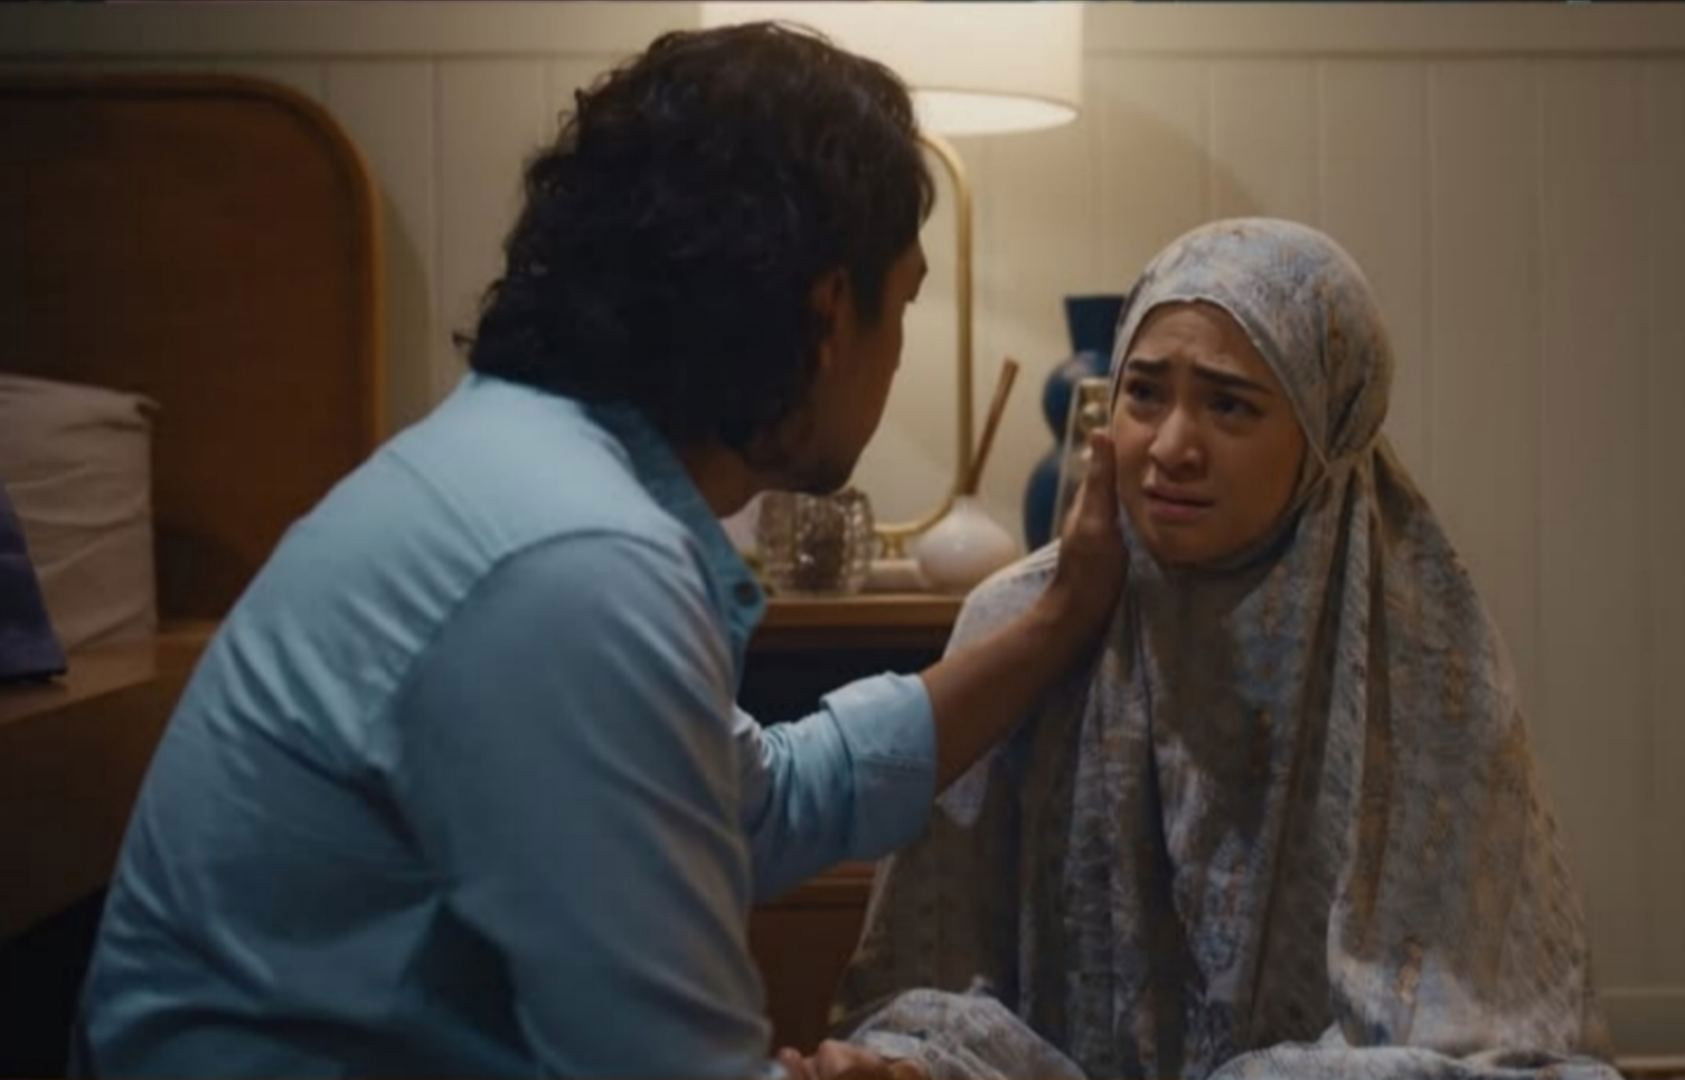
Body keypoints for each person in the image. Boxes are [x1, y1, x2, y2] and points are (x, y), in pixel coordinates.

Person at [74, 23, 1125, 1080]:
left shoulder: (524, 469)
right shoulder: (578, 566)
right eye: (900, 302)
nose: (895, 349)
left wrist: (1057, 616)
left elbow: (766, 805)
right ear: (825, 315)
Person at [832, 219, 1620, 1080]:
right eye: (1143, 394)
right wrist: (907, 1065)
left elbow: (1485, 1033)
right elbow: (927, 980)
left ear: (1326, 429)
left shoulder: (1422, 666)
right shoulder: (1020, 624)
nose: (1172, 447)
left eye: (1229, 405)